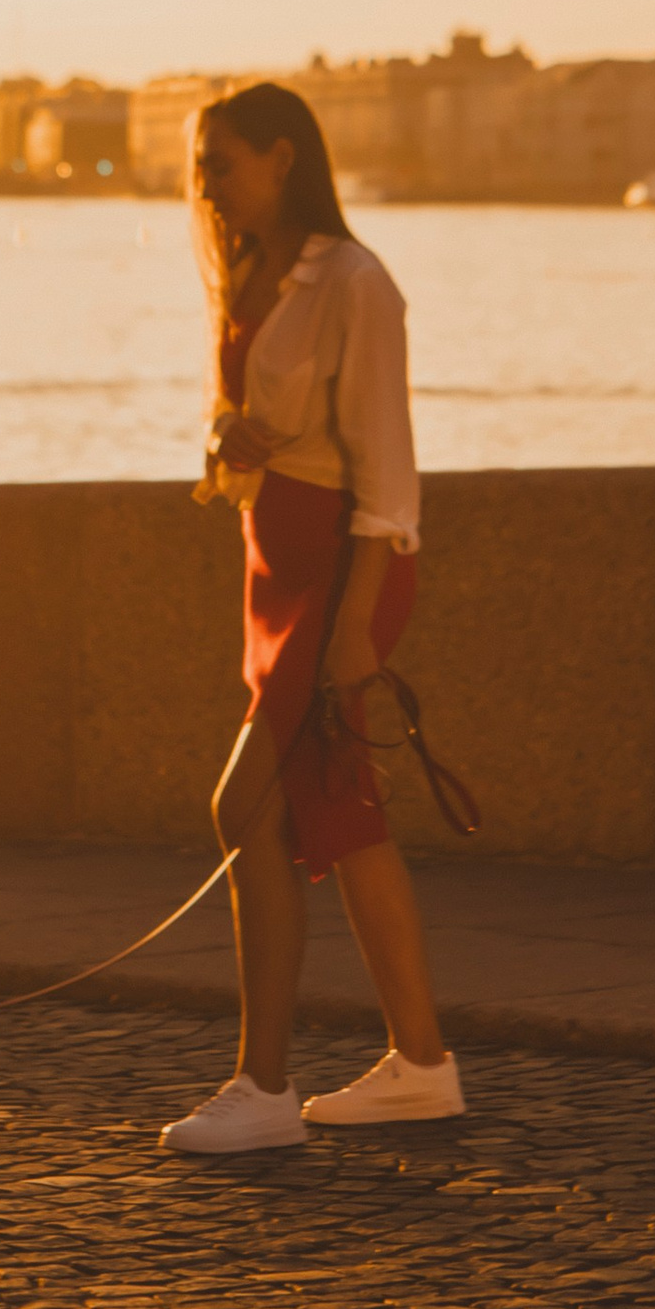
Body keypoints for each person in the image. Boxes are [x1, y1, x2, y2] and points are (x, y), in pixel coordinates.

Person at [159, 79, 466, 1155]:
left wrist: (354, 628)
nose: (205, 187)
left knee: (245, 806)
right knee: (338, 818)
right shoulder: (248, 273)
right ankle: (420, 1067)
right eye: (199, 167)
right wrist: (226, 442)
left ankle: (263, 1085)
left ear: (285, 156)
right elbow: (239, 431)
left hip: (342, 573)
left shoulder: (356, 284)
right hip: (274, 568)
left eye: (222, 163)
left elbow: (387, 468)